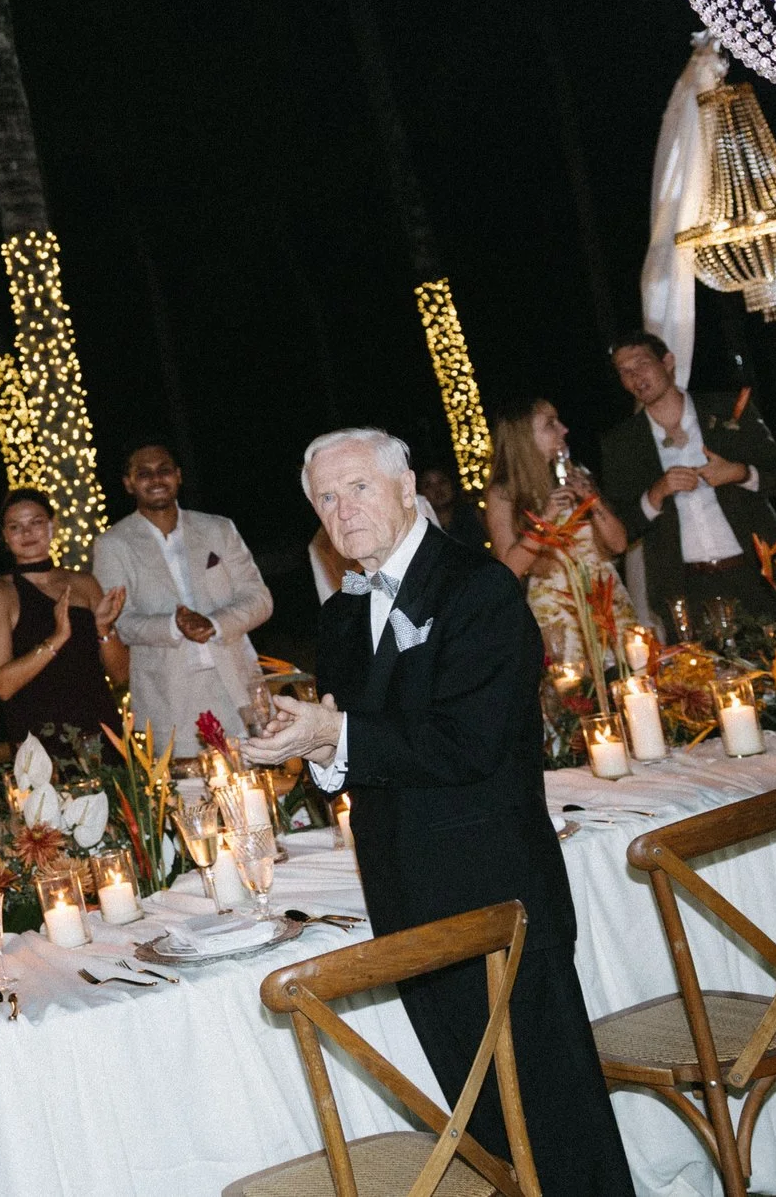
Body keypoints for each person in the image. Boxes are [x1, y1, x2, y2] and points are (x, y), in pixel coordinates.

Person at [246, 430, 633, 1197]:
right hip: (404, 900)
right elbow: (361, 757)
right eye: (326, 497)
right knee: (479, 1121)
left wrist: (337, 732)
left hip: (497, 896)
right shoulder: (342, 615)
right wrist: (316, 746)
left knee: (556, 1117)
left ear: (406, 489)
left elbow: (472, 743)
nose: (342, 509)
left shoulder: (476, 587)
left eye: (357, 487)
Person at [598, 331, 776, 632]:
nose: (636, 376)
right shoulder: (623, 443)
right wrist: (656, 493)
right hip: (685, 590)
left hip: (756, 576)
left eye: (641, 363)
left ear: (668, 362)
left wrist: (739, 473)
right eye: (625, 371)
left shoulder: (728, 411)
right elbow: (622, 530)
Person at [92, 444, 273, 749]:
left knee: (265, 785)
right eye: (144, 473)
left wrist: (213, 623)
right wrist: (174, 625)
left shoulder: (218, 529)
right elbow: (121, 621)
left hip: (236, 687)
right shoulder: (113, 545)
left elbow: (259, 598)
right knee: (189, 795)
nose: (156, 479)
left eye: (164, 470)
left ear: (178, 476)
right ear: (128, 484)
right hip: (170, 699)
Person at [484, 398, 637, 678]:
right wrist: (545, 520)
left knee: (631, 684)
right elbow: (508, 569)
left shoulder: (576, 475)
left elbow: (619, 544)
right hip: (558, 613)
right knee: (581, 700)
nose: (564, 430)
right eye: (550, 424)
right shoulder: (504, 493)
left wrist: (593, 502)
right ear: (525, 438)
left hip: (606, 601)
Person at [0, 488, 126, 744]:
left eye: (36, 522)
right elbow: (2, 686)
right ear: (5, 536)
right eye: (15, 527)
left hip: (99, 726)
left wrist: (103, 628)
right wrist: (57, 639)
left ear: (52, 526)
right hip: (41, 735)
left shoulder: (84, 583)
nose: (27, 533)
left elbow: (121, 674)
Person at [418, 462, 488, 550]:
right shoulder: (422, 528)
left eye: (442, 482)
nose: (437, 489)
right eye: (428, 486)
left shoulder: (473, 515)